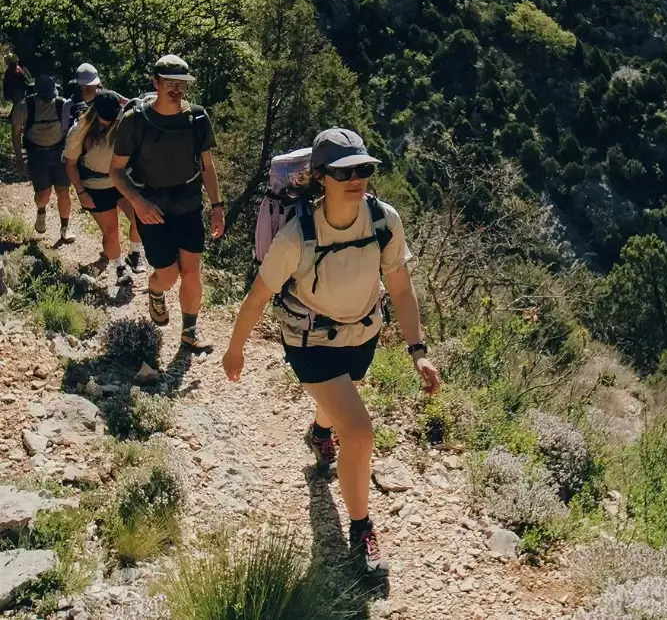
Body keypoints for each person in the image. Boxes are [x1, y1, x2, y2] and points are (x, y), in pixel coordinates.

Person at [222, 128, 441, 574]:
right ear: (321, 176)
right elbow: (259, 295)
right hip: (311, 342)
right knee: (358, 431)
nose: (356, 177)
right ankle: (361, 531)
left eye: (364, 168)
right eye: (344, 171)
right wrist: (235, 348)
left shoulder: (384, 220)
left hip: (363, 335)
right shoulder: (296, 234)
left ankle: (320, 434)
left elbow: (400, 286)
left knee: (342, 403)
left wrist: (418, 350)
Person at [110, 55, 225, 353]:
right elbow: (116, 170)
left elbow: (207, 167)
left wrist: (217, 206)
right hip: (152, 207)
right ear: (155, 82)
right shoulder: (135, 121)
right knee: (169, 275)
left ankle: (189, 331)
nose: (176, 89)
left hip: (188, 204)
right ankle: (156, 289)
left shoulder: (197, 118)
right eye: (170, 83)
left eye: (182, 84)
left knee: (191, 272)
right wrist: (138, 202)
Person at [63, 90, 145, 282]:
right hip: (95, 185)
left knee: (139, 217)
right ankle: (119, 268)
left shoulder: (123, 120)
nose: (107, 121)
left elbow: (139, 105)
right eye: (104, 118)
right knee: (111, 231)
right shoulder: (80, 129)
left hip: (120, 180)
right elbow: (70, 164)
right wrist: (81, 192)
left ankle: (134, 253)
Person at [12, 75, 74, 242]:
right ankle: (41, 211)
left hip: (59, 151)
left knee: (63, 191)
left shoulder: (63, 104)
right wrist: (19, 158)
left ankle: (65, 228)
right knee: (43, 194)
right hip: (37, 154)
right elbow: (16, 132)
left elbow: (72, 130)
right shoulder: (25, 106)